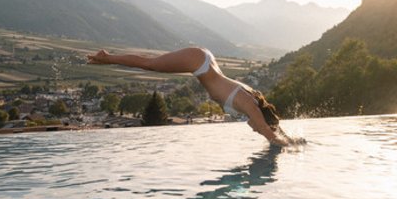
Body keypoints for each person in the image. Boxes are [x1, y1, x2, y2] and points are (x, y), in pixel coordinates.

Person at [87, 47, 292, 146]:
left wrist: (292, 139)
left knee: (151, 63)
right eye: (258, 126)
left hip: (204, 61)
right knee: (150, 64)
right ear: (261, 118)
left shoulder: (254, 104)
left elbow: (273, 127)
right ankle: (106, 57)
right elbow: (270, 134)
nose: (254, 129)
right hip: (199, 62)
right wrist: (292, 149)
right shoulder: (250, 106)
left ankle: (106, 58)